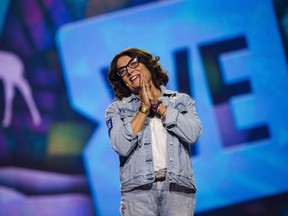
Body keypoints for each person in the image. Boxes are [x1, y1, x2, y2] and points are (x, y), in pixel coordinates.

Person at [105, 48, 202, 216]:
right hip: (137, 192)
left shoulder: (180, 101)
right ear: (122, 80)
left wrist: (159, 107)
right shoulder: (117, 109)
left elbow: (193, 133)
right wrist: (144, 108)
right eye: (123, 71)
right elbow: (121, 146)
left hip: (178, 189)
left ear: (148, 65)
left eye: (133, 63)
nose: (129, 71)